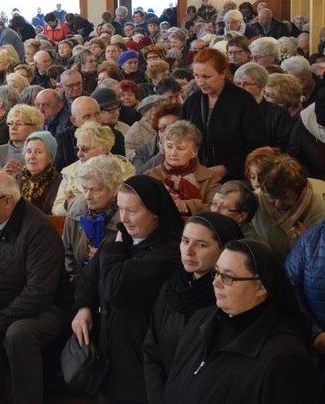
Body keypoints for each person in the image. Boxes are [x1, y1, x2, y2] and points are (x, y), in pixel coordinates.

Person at [165, 239, 323, 403]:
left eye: (227, 277)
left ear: (261, 286)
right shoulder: (200, 320)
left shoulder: (284, 358)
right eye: (216, 272)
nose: (216, 282)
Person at [71, 175, 184, 403]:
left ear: (154, 211)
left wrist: (114, 248)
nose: (124, 219)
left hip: (141, 359)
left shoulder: (170, 252)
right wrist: (83, 307)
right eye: (121, 209)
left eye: (132, 211)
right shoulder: (119, 242)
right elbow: (89, 280)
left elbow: (117, 288)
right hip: (109, 352)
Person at [0, 170, 71, 403]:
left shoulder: (37, 230)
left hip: (47, 309)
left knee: (18, 334)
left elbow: (39, 293)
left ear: (8, 202)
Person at [143, 211, 244, 403]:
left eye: (201, 244)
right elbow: (152, 351)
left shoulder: (230, 298)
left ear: (224, 250)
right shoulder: (172, 287)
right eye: (185, 240)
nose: (188, 251)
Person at [180, 48, 265, 181]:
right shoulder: (192, 101)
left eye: (207, 77)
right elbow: (181, 136)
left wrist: (227, 168)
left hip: (236, 178)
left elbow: (256, 145)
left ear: (222, 74)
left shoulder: (243, 101)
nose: (200, 82)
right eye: (196, 76)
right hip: (197, 176)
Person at [251, 155, 325, 264]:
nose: (278, 204)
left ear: (300, 191)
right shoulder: (255, 200)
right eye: (271, 197)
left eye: (285, 198)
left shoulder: (318, 206)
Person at [62, 155, 123, 284]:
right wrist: (81, 288)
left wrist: (105, 259)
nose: (87, 196)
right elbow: (67, 253)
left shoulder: (126, 216)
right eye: (84, 188)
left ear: (115, 188)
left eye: (95, 190)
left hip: (115, 286)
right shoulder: (75, 208)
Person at [53, 121, 134, 215]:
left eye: (85, 149)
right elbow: (55, 210)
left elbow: (125, 203)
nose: (79, 154)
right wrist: (67, 204)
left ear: (104, 149)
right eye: (77, 149)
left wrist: (77, 202)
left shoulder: (125, 169)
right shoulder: (70, 172)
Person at [145, 120, 221, 216]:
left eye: (180, 148)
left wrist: (186, 206)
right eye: (169, 147)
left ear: (194, 152)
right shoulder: (148, 176)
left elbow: (216, 210)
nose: (173, 153)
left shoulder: (211, 178)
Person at [18, 130, 62, 214]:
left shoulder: (58, 183)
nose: (32, 156)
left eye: (38, 152)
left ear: (50, 158)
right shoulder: (16, 179)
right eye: (29, 151)